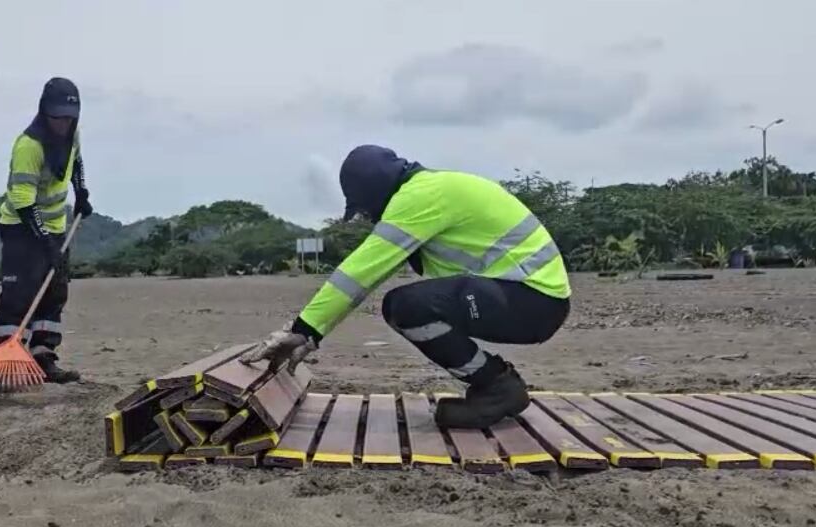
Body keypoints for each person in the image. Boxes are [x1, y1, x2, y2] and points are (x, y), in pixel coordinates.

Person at [241, 144, 571, 429]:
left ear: (376, 193)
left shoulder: (420, 196)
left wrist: (305, 329)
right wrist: (312, 332)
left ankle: (497, 387)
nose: (370, 218)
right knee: (410, 304)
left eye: (367, 209)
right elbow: (374, 272)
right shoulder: (429, 191)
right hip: (528, 299)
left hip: (532, 301)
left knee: (407, 307)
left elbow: (360, 272)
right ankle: (496, 385)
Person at [0, 77, 94, 383]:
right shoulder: (29, 145)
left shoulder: (72, 134)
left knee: (54, 291)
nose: (63, 123)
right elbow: (22, 199)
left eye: (69, 117)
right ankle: (4, 358)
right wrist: (45, 242)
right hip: (20, 228)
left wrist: (82, 193)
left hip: (56, 226)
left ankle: (43, 357)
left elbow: (76, 163)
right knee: (20, 293)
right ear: (44, 112)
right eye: (57, 117)